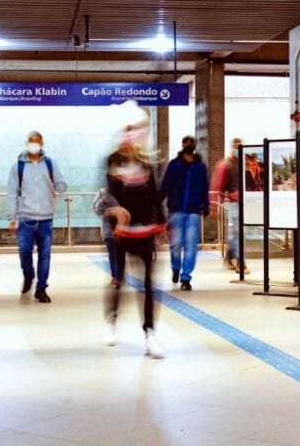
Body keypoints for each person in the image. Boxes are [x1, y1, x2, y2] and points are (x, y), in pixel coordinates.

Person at [104, 112, 166, 358]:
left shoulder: (146, 163)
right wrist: (116, 218)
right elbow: (110, 193)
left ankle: (150, 333)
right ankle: (111, 320)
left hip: (144, 231)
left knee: (149, 284)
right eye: (126, 131)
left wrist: (162, 225)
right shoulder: (113, 161)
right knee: (118, 278)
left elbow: (154, 195)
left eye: (135, 131)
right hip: (120, 232)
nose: (131, 136)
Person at [6, 131, 68, 303]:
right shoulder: (18, 166)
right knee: (24, 252)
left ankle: (41, 288)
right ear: (27, 143)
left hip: (46, 218)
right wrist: (12, 216)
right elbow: (11, 192)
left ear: (42, 143)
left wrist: (60, 184)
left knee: (45, 254)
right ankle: (28, 275)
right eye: (31, 141)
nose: (34, 144)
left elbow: (62, 184)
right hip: (25, 218)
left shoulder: (50, 164)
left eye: (37, 142)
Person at [159, 135, 209, 291]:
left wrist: (205, 206)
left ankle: (186, 277)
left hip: (193, 211)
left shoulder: (200, 167)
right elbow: (165, 185)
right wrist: (157, 203)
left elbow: (204, 188)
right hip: (176, 210)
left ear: (194, 146)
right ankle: (175, 267)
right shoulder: (174, 165)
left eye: (191, 142)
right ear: (182, 145)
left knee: (190, 246)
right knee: (175, 244)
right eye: (186, 142)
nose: (188, 145)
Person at [210, 137, 249, 274]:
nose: (238, 149)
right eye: (236, 146)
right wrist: (214, 207)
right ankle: (240, 262)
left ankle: (228, 257)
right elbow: (218, 185)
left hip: (247, 202)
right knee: (238, 232)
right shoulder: (225, 165)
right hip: (233, 203)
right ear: (232, 147)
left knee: (237, 233)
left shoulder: (246, 163)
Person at [92, 188, 124, 286]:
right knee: (112, 255)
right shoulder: (102, 192)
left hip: (122, 228)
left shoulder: (124, 190)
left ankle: (119, 275)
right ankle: (115, 276)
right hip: (109, 230)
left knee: (121, 254)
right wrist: (102, 202)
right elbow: (97, 210)